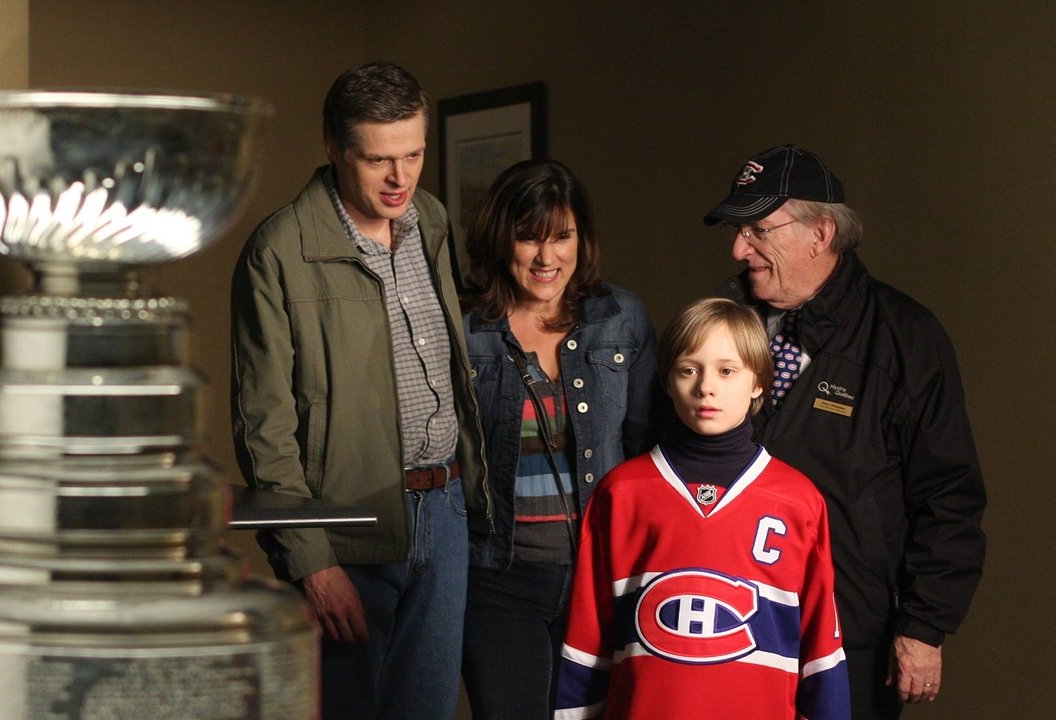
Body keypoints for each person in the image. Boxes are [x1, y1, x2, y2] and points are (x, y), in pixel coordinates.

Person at [229, 61, 488, 720]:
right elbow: (265, 427)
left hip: (446, 509)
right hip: (348, 528)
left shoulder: (430, 220)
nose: (401, 178)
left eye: (414, 154)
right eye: (378, 161)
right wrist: (311, 561)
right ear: (334, 149)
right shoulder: (281, 252)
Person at [702, 145, 987, 718]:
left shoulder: (904, 338)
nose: (739, 249)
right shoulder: (721, 321)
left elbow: (948, 496)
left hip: (851, 628)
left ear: (821, 233)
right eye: (737, 231)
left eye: (758, 229)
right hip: (727, 619)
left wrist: (925, 626)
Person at [554, 297, 850, 719]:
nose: (706, 387)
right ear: (668, 380)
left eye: (727, 371)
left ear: (758, 382)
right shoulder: (622, 492)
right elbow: (586, 643)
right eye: (688, 370)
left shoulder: (797, 500)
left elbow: (821, 647)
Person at [460, 159, 658, 719]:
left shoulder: (621, 318)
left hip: (599, 578)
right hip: (496, 578)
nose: (547, 258)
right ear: (502, 239)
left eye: (562, 237)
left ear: (582, 239)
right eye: (529, 238)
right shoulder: (465, 327)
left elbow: (650, 454)